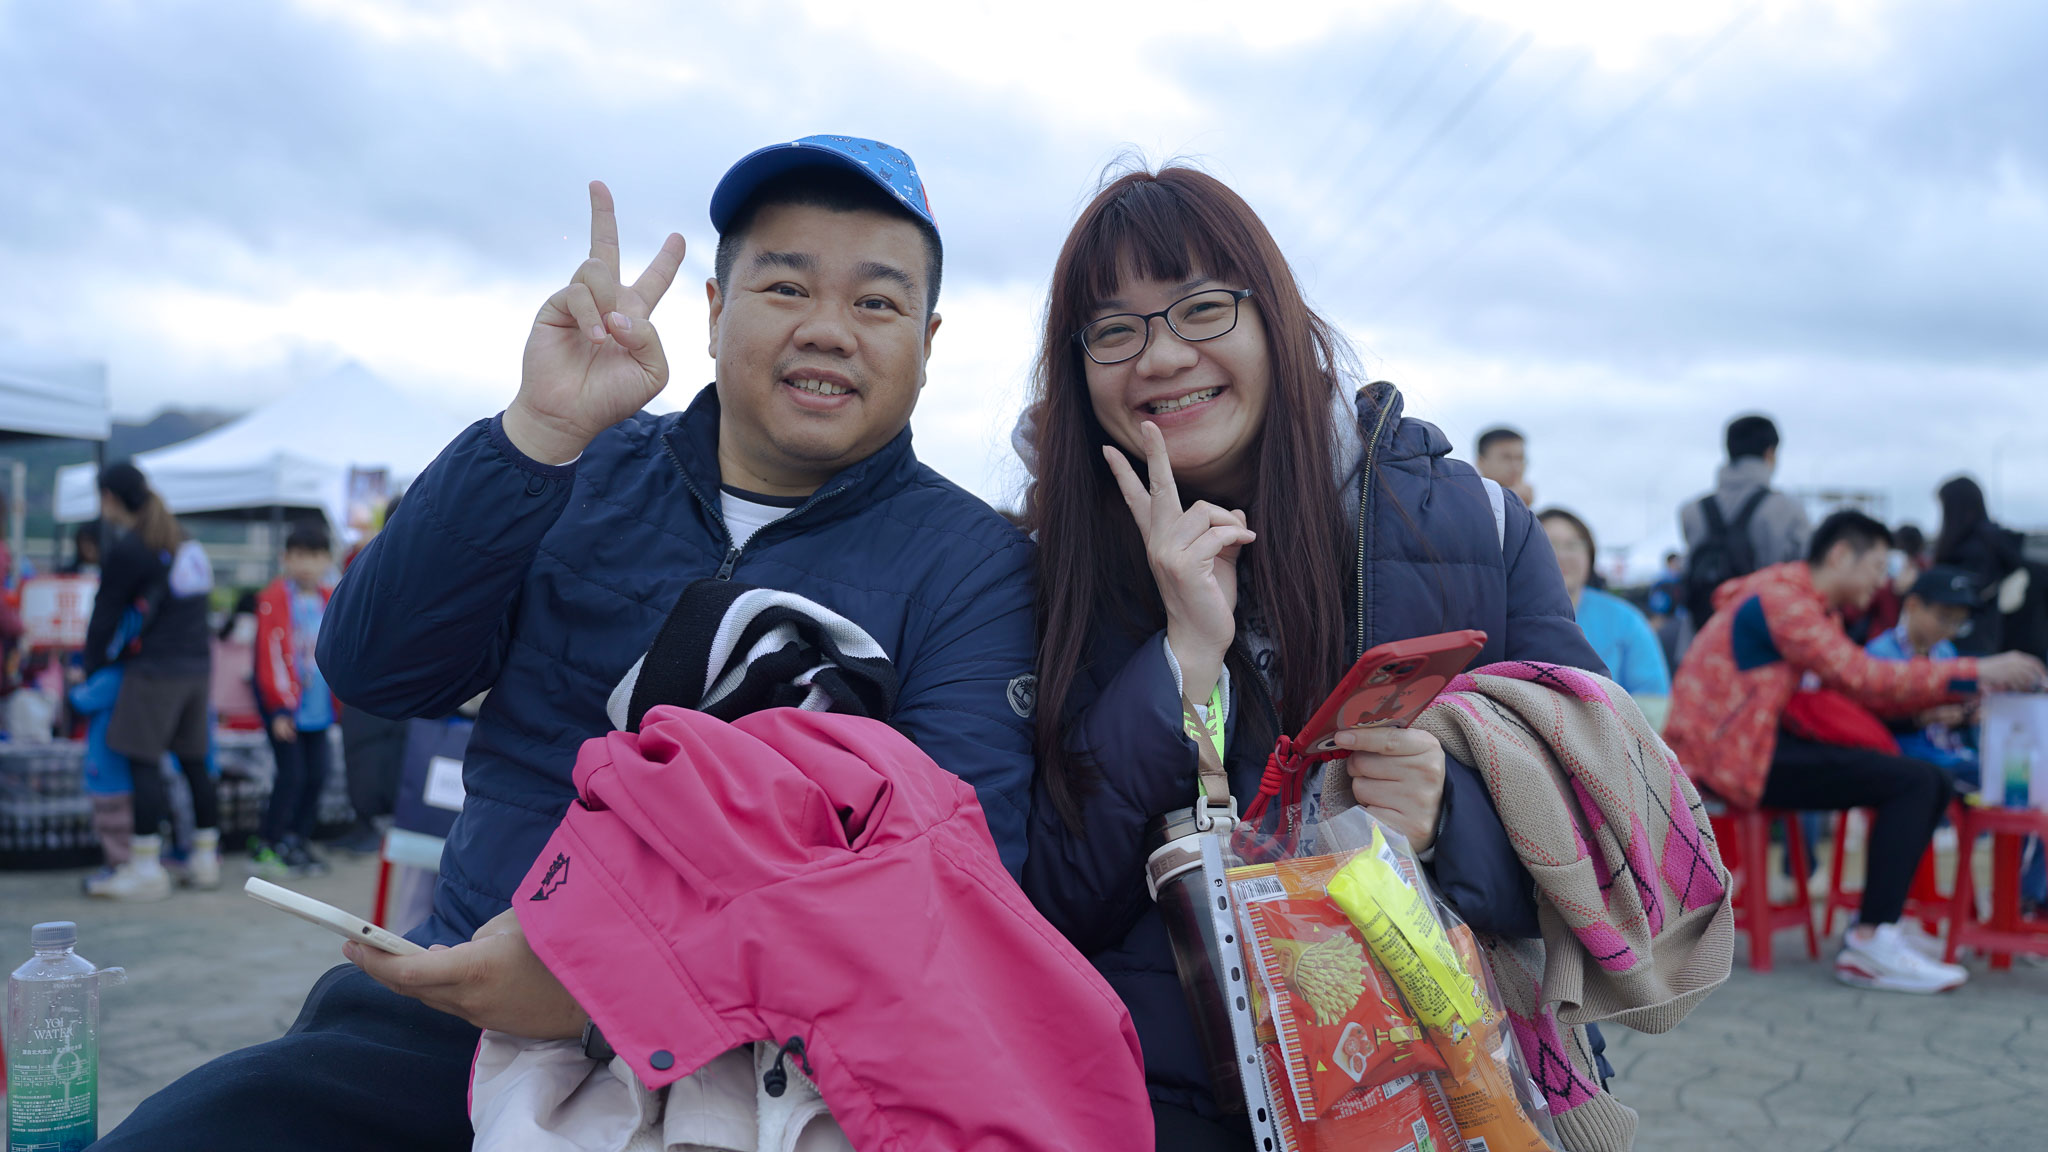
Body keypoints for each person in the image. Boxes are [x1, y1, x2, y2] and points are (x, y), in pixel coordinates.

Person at [98, 136, 1038, 1152]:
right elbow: (374, 667)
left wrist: (600, 989)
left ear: (927, 341)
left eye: (876, 303)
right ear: (714, 311)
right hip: (459, 1010)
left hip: (769, 1076)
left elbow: (952, 888)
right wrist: (536, 430)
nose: (827, 329)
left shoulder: (975, 567)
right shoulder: (578, 464)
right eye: (785, 287)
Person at [1013, 166, 1629, 1147]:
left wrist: (1450, 818)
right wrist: (1180, 660)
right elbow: (1046, 895)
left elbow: (1608, 827)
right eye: (1113, 329)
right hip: (1164, 1099)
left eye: (1201, 309)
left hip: (1446, 1084)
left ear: (1277, 318)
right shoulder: (1047, 567)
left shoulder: (1470, 525)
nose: (1161, 356)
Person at [1665, 511, 2046, 992]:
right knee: (1918, 780)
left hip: (1749, 748)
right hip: (1731, 759)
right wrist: (1976, 671)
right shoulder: (1783, 601)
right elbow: (1861, 676)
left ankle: (1882, 926)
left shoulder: (1798, 602)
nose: (1882, 581)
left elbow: (1853, 686)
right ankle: (1871, 939)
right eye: (1877, 566)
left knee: (1925, 777)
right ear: (1841, 555)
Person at [79, 462, 220, 901]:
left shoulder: (132, 548)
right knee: (194, 763)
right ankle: (205, 859)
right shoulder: (185, 541)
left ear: (109, 498)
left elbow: (104, 616)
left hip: (155, 671)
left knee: (143, 763)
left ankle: (145, 868)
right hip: (198, 669)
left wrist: (90, 668)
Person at [251, 524, 339, 877]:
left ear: (327, 560)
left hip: (319, 708)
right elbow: (268, 656)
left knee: (318, 775)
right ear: (285, 558)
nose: (306, 564)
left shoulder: (331, 598)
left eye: (315, 556)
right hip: (286, 709)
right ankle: (269, 843)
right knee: (292, 776)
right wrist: (279, 708)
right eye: (299, 556)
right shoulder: (273, 599)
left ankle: (297, 839)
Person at [1540, 508, 1672, 728]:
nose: (1561, 555)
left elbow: (1653, 703)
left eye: (1573, 545)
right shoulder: (1504, 616)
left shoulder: (1626, 620)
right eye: (1548, 544)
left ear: (1590, 556)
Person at [1678, 414, 1810, 631]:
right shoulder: (1789, 510)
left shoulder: (1692, 511)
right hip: (1765, 637)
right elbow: (1805, 579)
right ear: (1770, 453)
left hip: (1701, 636)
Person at [1865, 565, 1982, 788]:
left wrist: (1965, 715)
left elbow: (1956, 708)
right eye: (1944, 618)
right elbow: (1872, 719)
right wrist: (1923, 717)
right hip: (1907, 759)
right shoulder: (1879, 655)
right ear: (1913, 605)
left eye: (1960, 623)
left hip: (1950, 754)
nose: (1951, 630)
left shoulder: (1945, 651)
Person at [1934, 476, 2026, 656]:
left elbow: (1958, 593)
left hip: (1961, 639)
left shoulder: (1971, 548)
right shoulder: (1993, 541)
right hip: (1988, 635)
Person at [1474, 424, 1533, 506]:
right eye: (1506, 458)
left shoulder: (1525, 502)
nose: (1516, 466)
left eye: (1520, 458)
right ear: (1481, 461)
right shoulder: (1467, 498)